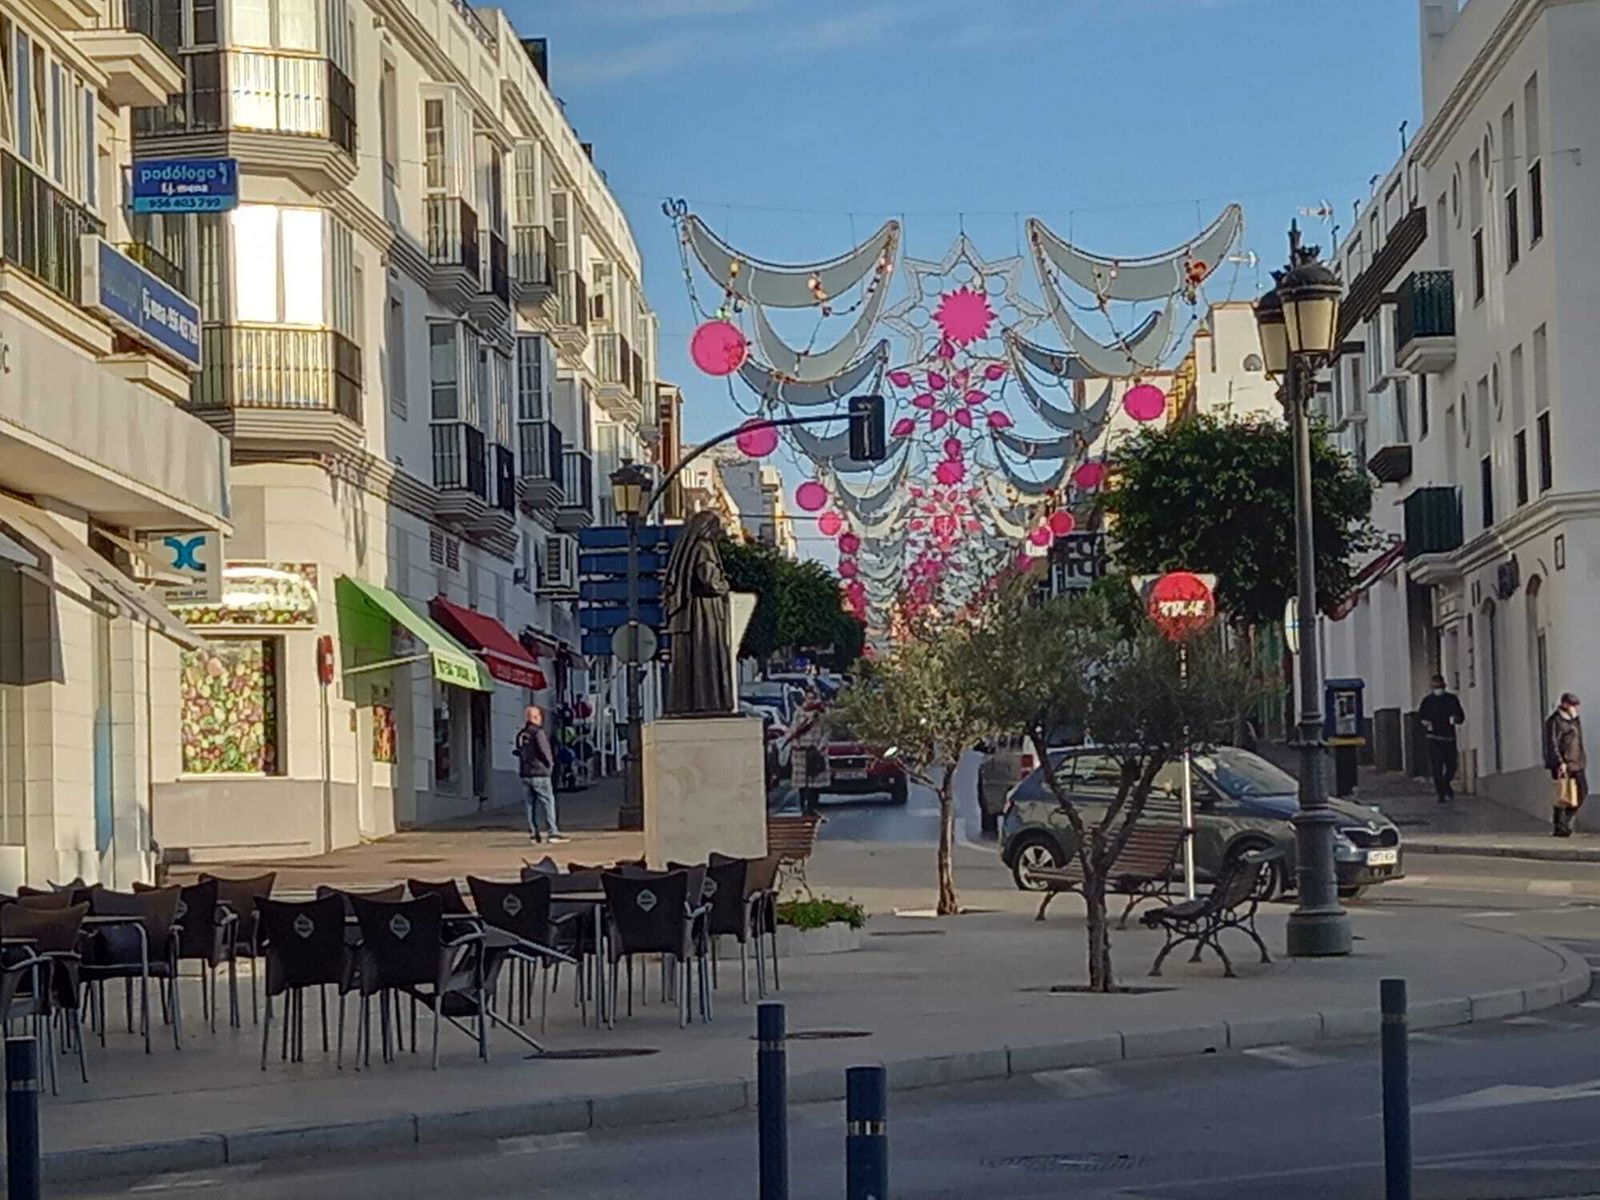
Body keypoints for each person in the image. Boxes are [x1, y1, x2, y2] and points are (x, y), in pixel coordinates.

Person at [515, 705, 567, 844]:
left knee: (530, 805)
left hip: (525, 773)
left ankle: (534, 834)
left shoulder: (521, 734)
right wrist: (550, 765)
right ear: (536, 718)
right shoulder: (538, 733)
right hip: (540, 773)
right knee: (548, 802)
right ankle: (553, 832)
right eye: (538, 716)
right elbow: (545, 751)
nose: (540, 719)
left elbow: (519, 751)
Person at [1545, 693, 1587, 838]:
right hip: (1562, 764)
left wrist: (1575, 718)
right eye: (1572, 705)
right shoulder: (1555, 721)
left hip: (1577, 762)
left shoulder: (1574, 720)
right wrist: (1559, 762)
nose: (1575, 708)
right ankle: (1560, 827)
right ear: (1564, 704)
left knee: (1582, 791)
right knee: (1562, 794)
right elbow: (1553, 743)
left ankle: (1565, 821)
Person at [1417, 674, 1465, 803]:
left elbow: (1460, 716)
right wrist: (1425, 722)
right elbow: (1421, 717)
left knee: (1451, 766)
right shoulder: (1427, 701)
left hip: (1448, 737)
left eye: (1439, 686)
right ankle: (1441, 794)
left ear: (1444, 685)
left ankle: (1445, 783)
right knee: (1436, 767)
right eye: (1435, 686)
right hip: (1434, 738)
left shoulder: (1451, 699)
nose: (1437, 688)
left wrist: (1455, 719)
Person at [784, 689, 831, 816]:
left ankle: (812, 806)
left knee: (815, 782)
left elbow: (827, 731)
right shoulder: (799, 712)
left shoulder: (822, 713)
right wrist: (795, 744)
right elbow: (793, 729)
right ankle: (802, 807)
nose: (810, 701)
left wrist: (820, 747)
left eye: (813, 698)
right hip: (801, 752)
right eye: (808, 698)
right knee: (801, 783)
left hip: (815, 751)